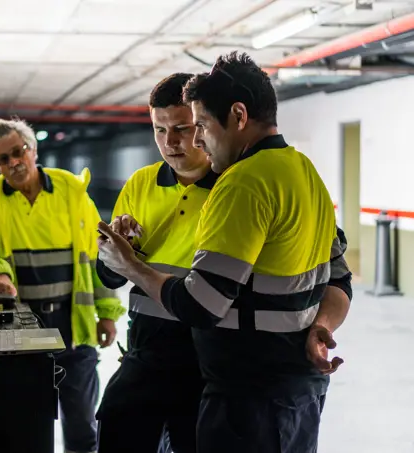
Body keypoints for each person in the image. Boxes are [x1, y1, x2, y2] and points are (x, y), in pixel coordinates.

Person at [97, 51, 352, 453]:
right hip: (277, 382)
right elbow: (338, 277)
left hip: (244, 387)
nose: (187, 140)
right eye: (159, 130)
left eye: (196, 126)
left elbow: (202, 304)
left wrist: (131, 265)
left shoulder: (240, 185)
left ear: (237, 115)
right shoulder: (305, 171)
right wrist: (322, 328)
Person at [0, 118, 125, 453]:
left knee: (82, 426)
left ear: (33, 149)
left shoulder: (70, 191)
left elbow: (97, 254)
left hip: (73, 327)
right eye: (2, 159)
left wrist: (107, 311)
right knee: (26, 423)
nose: (13, 162)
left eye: (18, 152)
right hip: (22, 333)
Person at [95, 73, 213, 453]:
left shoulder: (233, 186)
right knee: (115, 424)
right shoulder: (141, 184)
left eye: (181, 128)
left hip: (207, 355)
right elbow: (110, 277)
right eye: (159, 129)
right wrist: (118, 252)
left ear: (204, 125)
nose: (170, 141)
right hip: (147, 347)